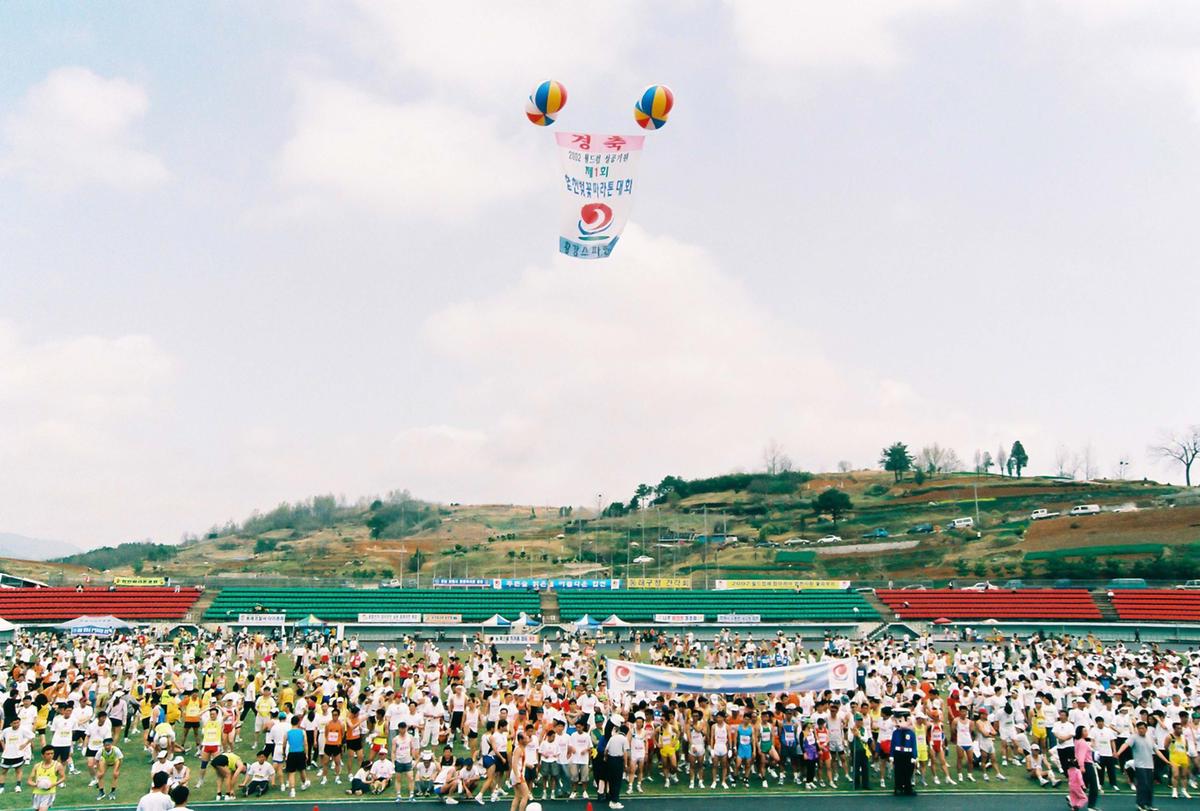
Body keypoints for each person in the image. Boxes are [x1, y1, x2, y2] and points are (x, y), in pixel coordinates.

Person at [1116, 719, 1169, 811]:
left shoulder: (1150, 738)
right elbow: (1125, 745)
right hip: (1140, 766)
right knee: (1143, 785)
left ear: (1146, 729)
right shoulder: (1134, 737)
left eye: (1143, 728)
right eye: (1139, 728)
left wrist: (1167, 761)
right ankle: (1140, 804)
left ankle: (1149, 804)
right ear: (1137, 729)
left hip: (1150, 766)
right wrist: (1118, 753)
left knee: (1149, 786)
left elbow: (1157, 751)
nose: (1141, 730)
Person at [28, 746, 64, 811]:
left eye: (52, 753)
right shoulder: (37, 766)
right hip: (37, 793)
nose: (50, 755)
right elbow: (29, 781)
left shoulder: (57, 765)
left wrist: (53, 784)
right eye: (48, 754)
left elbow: (63, 777)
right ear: (43, 755)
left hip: (49, 793)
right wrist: (36, 785)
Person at [890, 709, 917, 796]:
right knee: (898, 771)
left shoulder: (911, 733)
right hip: (898, 753)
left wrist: (914, 756)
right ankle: (898, 788)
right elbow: (893, 744)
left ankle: (907, 788)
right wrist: (892, 755)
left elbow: (913, 745)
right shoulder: (895, 733)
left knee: (908, 771)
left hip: (908, 754)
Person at [604, 723, 629, 810]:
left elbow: (606, 750)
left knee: (611, 780)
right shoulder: (624, 739)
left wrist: (606, 758)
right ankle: (614, 801)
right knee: (617, 781)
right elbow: (625, 752)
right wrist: (625, 764)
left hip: (610, 760)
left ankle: (611, 799)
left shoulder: (612, 737)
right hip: (618, 760)